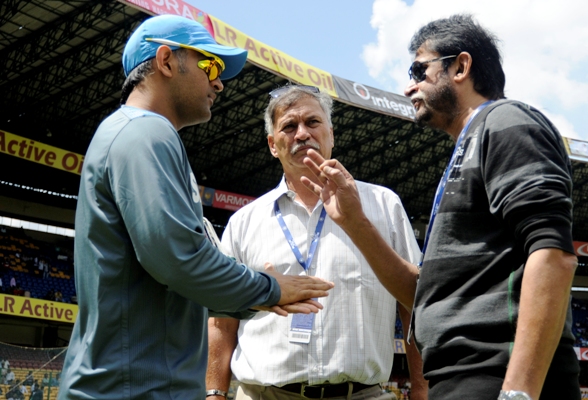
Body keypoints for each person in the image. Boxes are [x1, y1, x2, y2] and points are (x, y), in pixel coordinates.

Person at [303, 13, 580, 400]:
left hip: (497, 374)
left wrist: (518, 394)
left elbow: (554, 255)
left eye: (420, 69)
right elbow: (419, 294)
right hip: (461, 374)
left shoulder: (507, 122)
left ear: (461, 66)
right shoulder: (468, 146)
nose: (409, 85)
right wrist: (354, 222)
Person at [57, 15, 333, 400]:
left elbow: (178, 274)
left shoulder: (142, 134)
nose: (218, 81)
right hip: (134, 388)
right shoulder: (145, 133)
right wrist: (268, 288)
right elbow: (177, 259)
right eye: (211, 65)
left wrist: (255, 293)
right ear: (167, 62)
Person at [206, 85, 426, 400]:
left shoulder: (383, 206)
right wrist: (214, 393)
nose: (302, 134)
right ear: (272, 144)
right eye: (289, 126)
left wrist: (421, 390)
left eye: (312, 122)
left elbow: (413, 306)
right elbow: (222, 318)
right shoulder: (244, 221)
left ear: (331, 135)